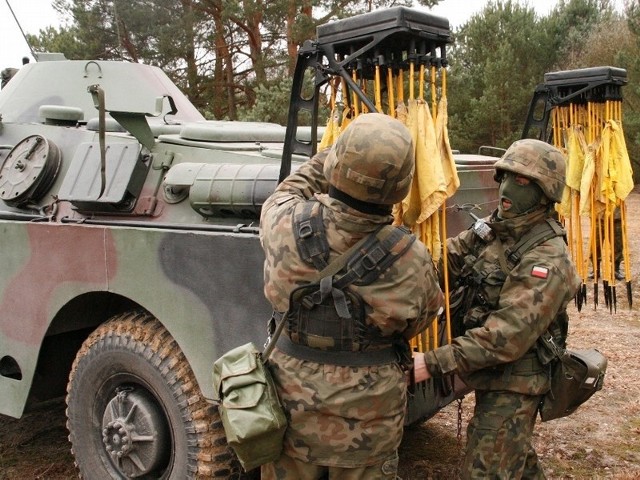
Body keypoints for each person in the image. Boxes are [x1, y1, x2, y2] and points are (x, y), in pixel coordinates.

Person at [259, 113, 444, 479]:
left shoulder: (283, 224)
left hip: (289, 412)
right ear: (401, 186)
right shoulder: (412, 257)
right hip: (369, 425)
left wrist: (330, 156)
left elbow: (287, 189)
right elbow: (423, 318)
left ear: (336, 168)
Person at [414, 138, 582, 479]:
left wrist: (431, 363)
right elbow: (443, 262)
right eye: (503, 176)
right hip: (489, 371)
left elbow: (504, 338)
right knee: (514, 459)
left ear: (545, 192)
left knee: (487, 470)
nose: (507, 188)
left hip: (516, 380)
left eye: (521, 181)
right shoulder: (495, 229)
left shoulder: (547, 259)